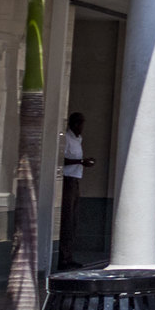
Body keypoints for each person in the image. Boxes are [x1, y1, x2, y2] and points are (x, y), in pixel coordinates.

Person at [58, 113, 95, 270]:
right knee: (66, 219)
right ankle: (62, 258)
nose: (82, 127)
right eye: (79, 124)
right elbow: (61, 159)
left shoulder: (78, 139)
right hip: (67, 180)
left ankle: (68, 256)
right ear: (74, 124)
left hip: (75, 179)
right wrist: (80, 161)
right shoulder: (66, 138)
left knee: (72, 220)